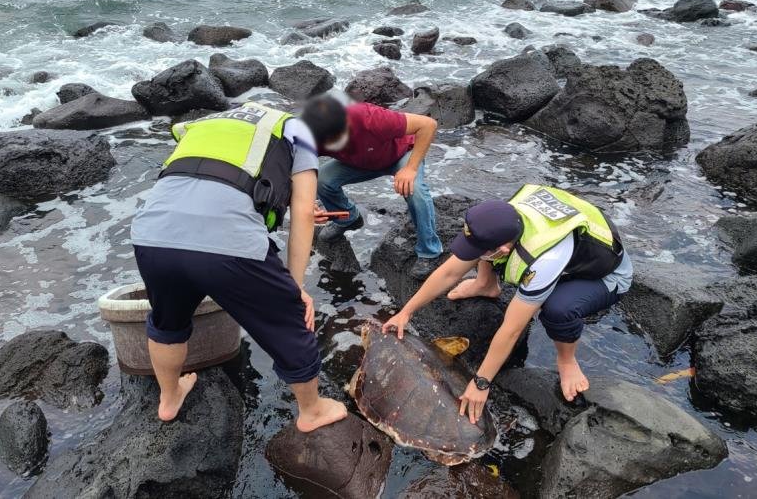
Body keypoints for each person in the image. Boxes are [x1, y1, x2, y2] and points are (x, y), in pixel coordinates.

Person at [130, 102, 347, 431]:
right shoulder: (298, 131)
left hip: (151, 233)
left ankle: (169, 397)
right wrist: (296, 286)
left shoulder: (204, 122)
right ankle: (312, 410)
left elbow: (205, 181)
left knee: (166, 320)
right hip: (229, 242)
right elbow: (303, 214)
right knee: (288, 321)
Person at [382, 185, 633, 423]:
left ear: (503, 248)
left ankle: (567, 360)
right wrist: (406, 313)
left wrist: (481, 382)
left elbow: (511, 328)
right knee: (483, 250)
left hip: (603, 273)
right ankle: (486, 284)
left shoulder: (543, 260)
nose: (470, 253)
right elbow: (449, 272)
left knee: (557, 310)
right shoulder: (501, 218)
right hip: (569, 243)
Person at [301, 95, 443, 279]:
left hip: (400, 157)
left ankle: (429, 252)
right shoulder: (311, 136)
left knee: (414, 189)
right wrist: (306, 204)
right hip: (359, 164)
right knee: (321, 179)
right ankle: (348, 218)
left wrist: (410, 168)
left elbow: (428, 124)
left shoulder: (368, 117)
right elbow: (299, 170)